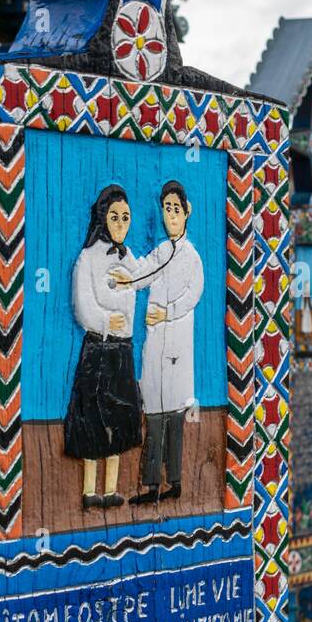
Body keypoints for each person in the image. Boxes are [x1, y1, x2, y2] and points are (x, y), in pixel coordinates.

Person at [64, 185, 146, 510]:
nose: (120, 223)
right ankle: (88, 490)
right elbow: (82, 304)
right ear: (102, 217)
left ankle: (110, 489)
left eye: (126, 217)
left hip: (122, 351)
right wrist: (104, 320)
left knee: (121, 418)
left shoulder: (129, 258)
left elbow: (146, 278)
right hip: (98, 349)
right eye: (114, 216)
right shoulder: (88, 258)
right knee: (92, 418)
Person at [128, 180, 203, 504]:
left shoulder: (192, 258)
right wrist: (122, 271)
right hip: (155, 344)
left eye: (176, 209)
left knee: (174, 417)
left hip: (176, 347)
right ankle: (150, 486)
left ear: (187, 212)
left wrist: (166, 313)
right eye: (166, 209)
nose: (170, 216)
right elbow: (143, 273)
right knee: (153, 416)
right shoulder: (161, 251)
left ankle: (174, 481)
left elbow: (192, 297)